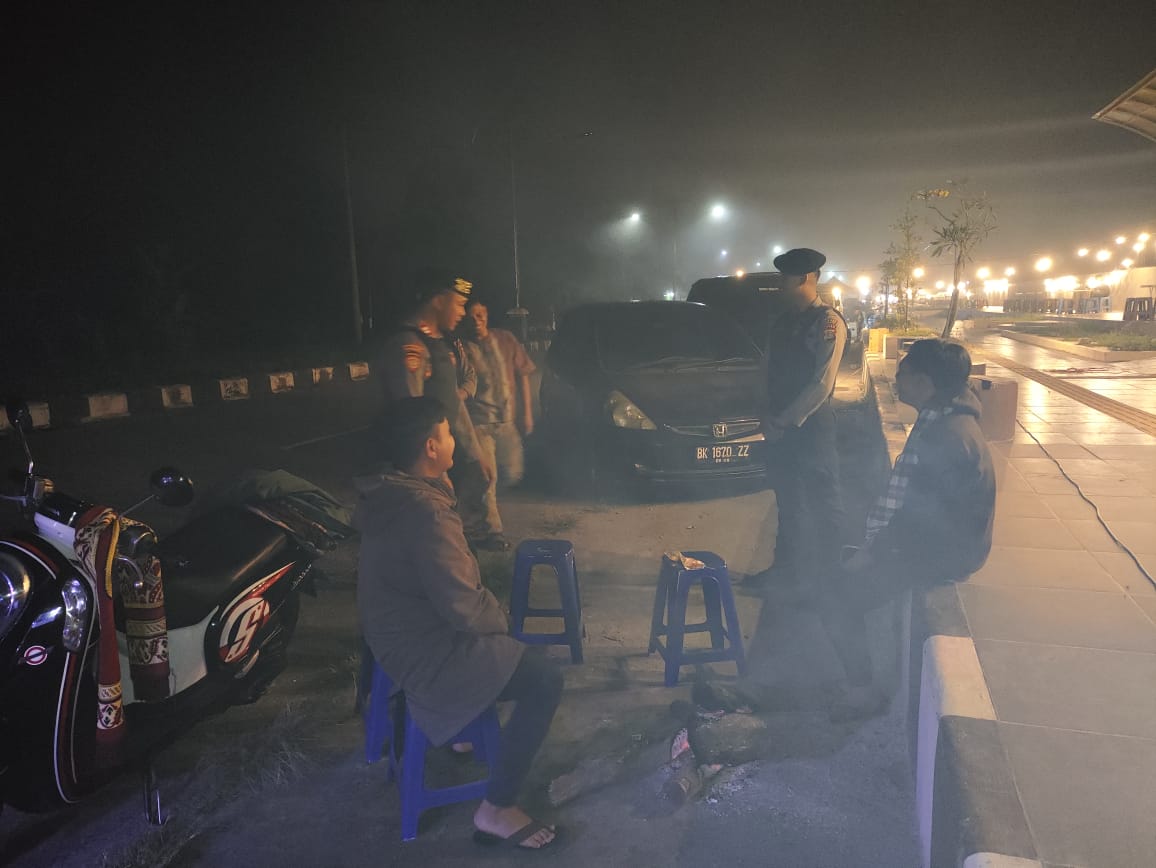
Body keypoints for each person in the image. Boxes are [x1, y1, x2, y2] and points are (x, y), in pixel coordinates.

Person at [356, 396, 563, 850]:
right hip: (423, 649)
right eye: (449, 433)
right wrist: (503, 626)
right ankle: (497, 808)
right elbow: (464, 605)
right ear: (431, 447)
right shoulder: (425, 513)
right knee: (544, 678)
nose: (455, 440)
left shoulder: (393, 490)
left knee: (510, 651)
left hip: (391, 635)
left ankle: (463, 730)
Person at [821, 338, 996, 720]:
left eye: (904, 373)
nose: (897, 379)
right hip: (937, 540)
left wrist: (872, 554)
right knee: (840, 566)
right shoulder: (944, 417)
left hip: (944, 553)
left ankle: (863, 693)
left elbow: (918, 519)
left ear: (925, 382)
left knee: (837, 598)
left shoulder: (949, 437)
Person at [376, 270, 509, 551]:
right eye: (458, 304)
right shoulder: (410, 346)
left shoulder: (440, 344)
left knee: (448, 536)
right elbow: (412, 420)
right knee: (427, 541)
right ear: (438, 300)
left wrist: (476, 453)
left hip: (445, 457)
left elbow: (454, 404)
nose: (462, 312)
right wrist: (435, 472)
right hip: (421, 470)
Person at [748, 247, 847, 590]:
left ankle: (829, 579)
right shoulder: (783, 322)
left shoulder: (828, 322)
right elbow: (767, 369)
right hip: (780, 428)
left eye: (784, 278)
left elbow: (821, 383)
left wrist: (784, 420)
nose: (780, 284)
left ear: (805, 278)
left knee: (822, 504)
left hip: (811, 429)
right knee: (789, 503)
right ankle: (785, 573)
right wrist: (765, 413)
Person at [460, 298, 536, 498]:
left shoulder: (505, 339)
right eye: (471, 318)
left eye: (480, 315)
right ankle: (487, 514)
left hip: (506, 421)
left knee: (512, 473)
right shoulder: (462, 348)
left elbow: (523, 374)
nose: (476, 321)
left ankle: (475, 504)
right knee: (487, 478)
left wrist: (527, 413)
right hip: (479, 424)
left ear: (486, 314)